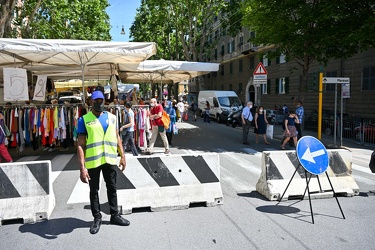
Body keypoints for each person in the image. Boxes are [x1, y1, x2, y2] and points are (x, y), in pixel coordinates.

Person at [77, 90, 129, 235]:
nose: (99, 103)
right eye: (96, 101)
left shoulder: (112, 117)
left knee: (112, 187)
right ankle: (97, 218)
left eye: (101, 101)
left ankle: (115, 215)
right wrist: (82, 168)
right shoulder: (84, 120)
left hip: (110, 159)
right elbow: (80, 145)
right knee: (94, 191)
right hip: (94, 162)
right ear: (91, 102)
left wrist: (122, 156)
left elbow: (117, 137)